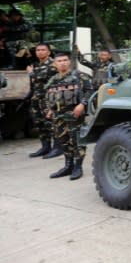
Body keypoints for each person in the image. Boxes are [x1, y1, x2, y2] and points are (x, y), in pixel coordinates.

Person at [44, 51, 94, 180]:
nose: (62, 63)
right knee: (63, 140)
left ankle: (78, 167)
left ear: (69, 61)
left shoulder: (79, 76)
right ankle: (68, 166)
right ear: (55, 63)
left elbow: (90, 90)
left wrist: (82, 104)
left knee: (77, 141)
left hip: (74, 113)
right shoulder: (53, 79)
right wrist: (50, 108)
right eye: (59, 61)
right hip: (58, 115)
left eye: (65, 60)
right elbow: (48, 94)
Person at [27, 43, 60, 158]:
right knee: (39, 123)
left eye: (43, 50)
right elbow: (34, 83)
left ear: (48, 52)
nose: (40, 52)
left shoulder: (53, 64)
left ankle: (57, 148)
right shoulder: (36, 65)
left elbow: (40, 77)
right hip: (36, 98)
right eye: (38, 50)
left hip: (48, 99)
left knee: (51, 123)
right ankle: (45, 147)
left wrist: (31, 73)